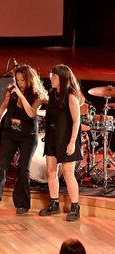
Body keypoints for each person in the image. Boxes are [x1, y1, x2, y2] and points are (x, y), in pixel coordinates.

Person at [0, 65, 48, 214]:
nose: (19, 83)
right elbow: (4, 106)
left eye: (22, 80)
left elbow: (31, 113)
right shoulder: (11, 91)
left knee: (24, 169)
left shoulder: (38, 95)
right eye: (17, 79)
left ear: (30, 79)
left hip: (27, 136)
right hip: (10, 132)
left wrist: (21, 95)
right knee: (2, 164)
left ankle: (22, 204)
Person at [38, 65, 83, 221]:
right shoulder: (53, 94)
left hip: (66, 138)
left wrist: (71, 143)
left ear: (62, 78)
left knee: (68, 173)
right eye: (51, 75)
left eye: (54, 76)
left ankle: (75, 207)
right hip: (53, 137)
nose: (51, 78)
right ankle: (54, 203)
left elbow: (77, 121)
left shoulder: (70, 96)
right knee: (51, 170)